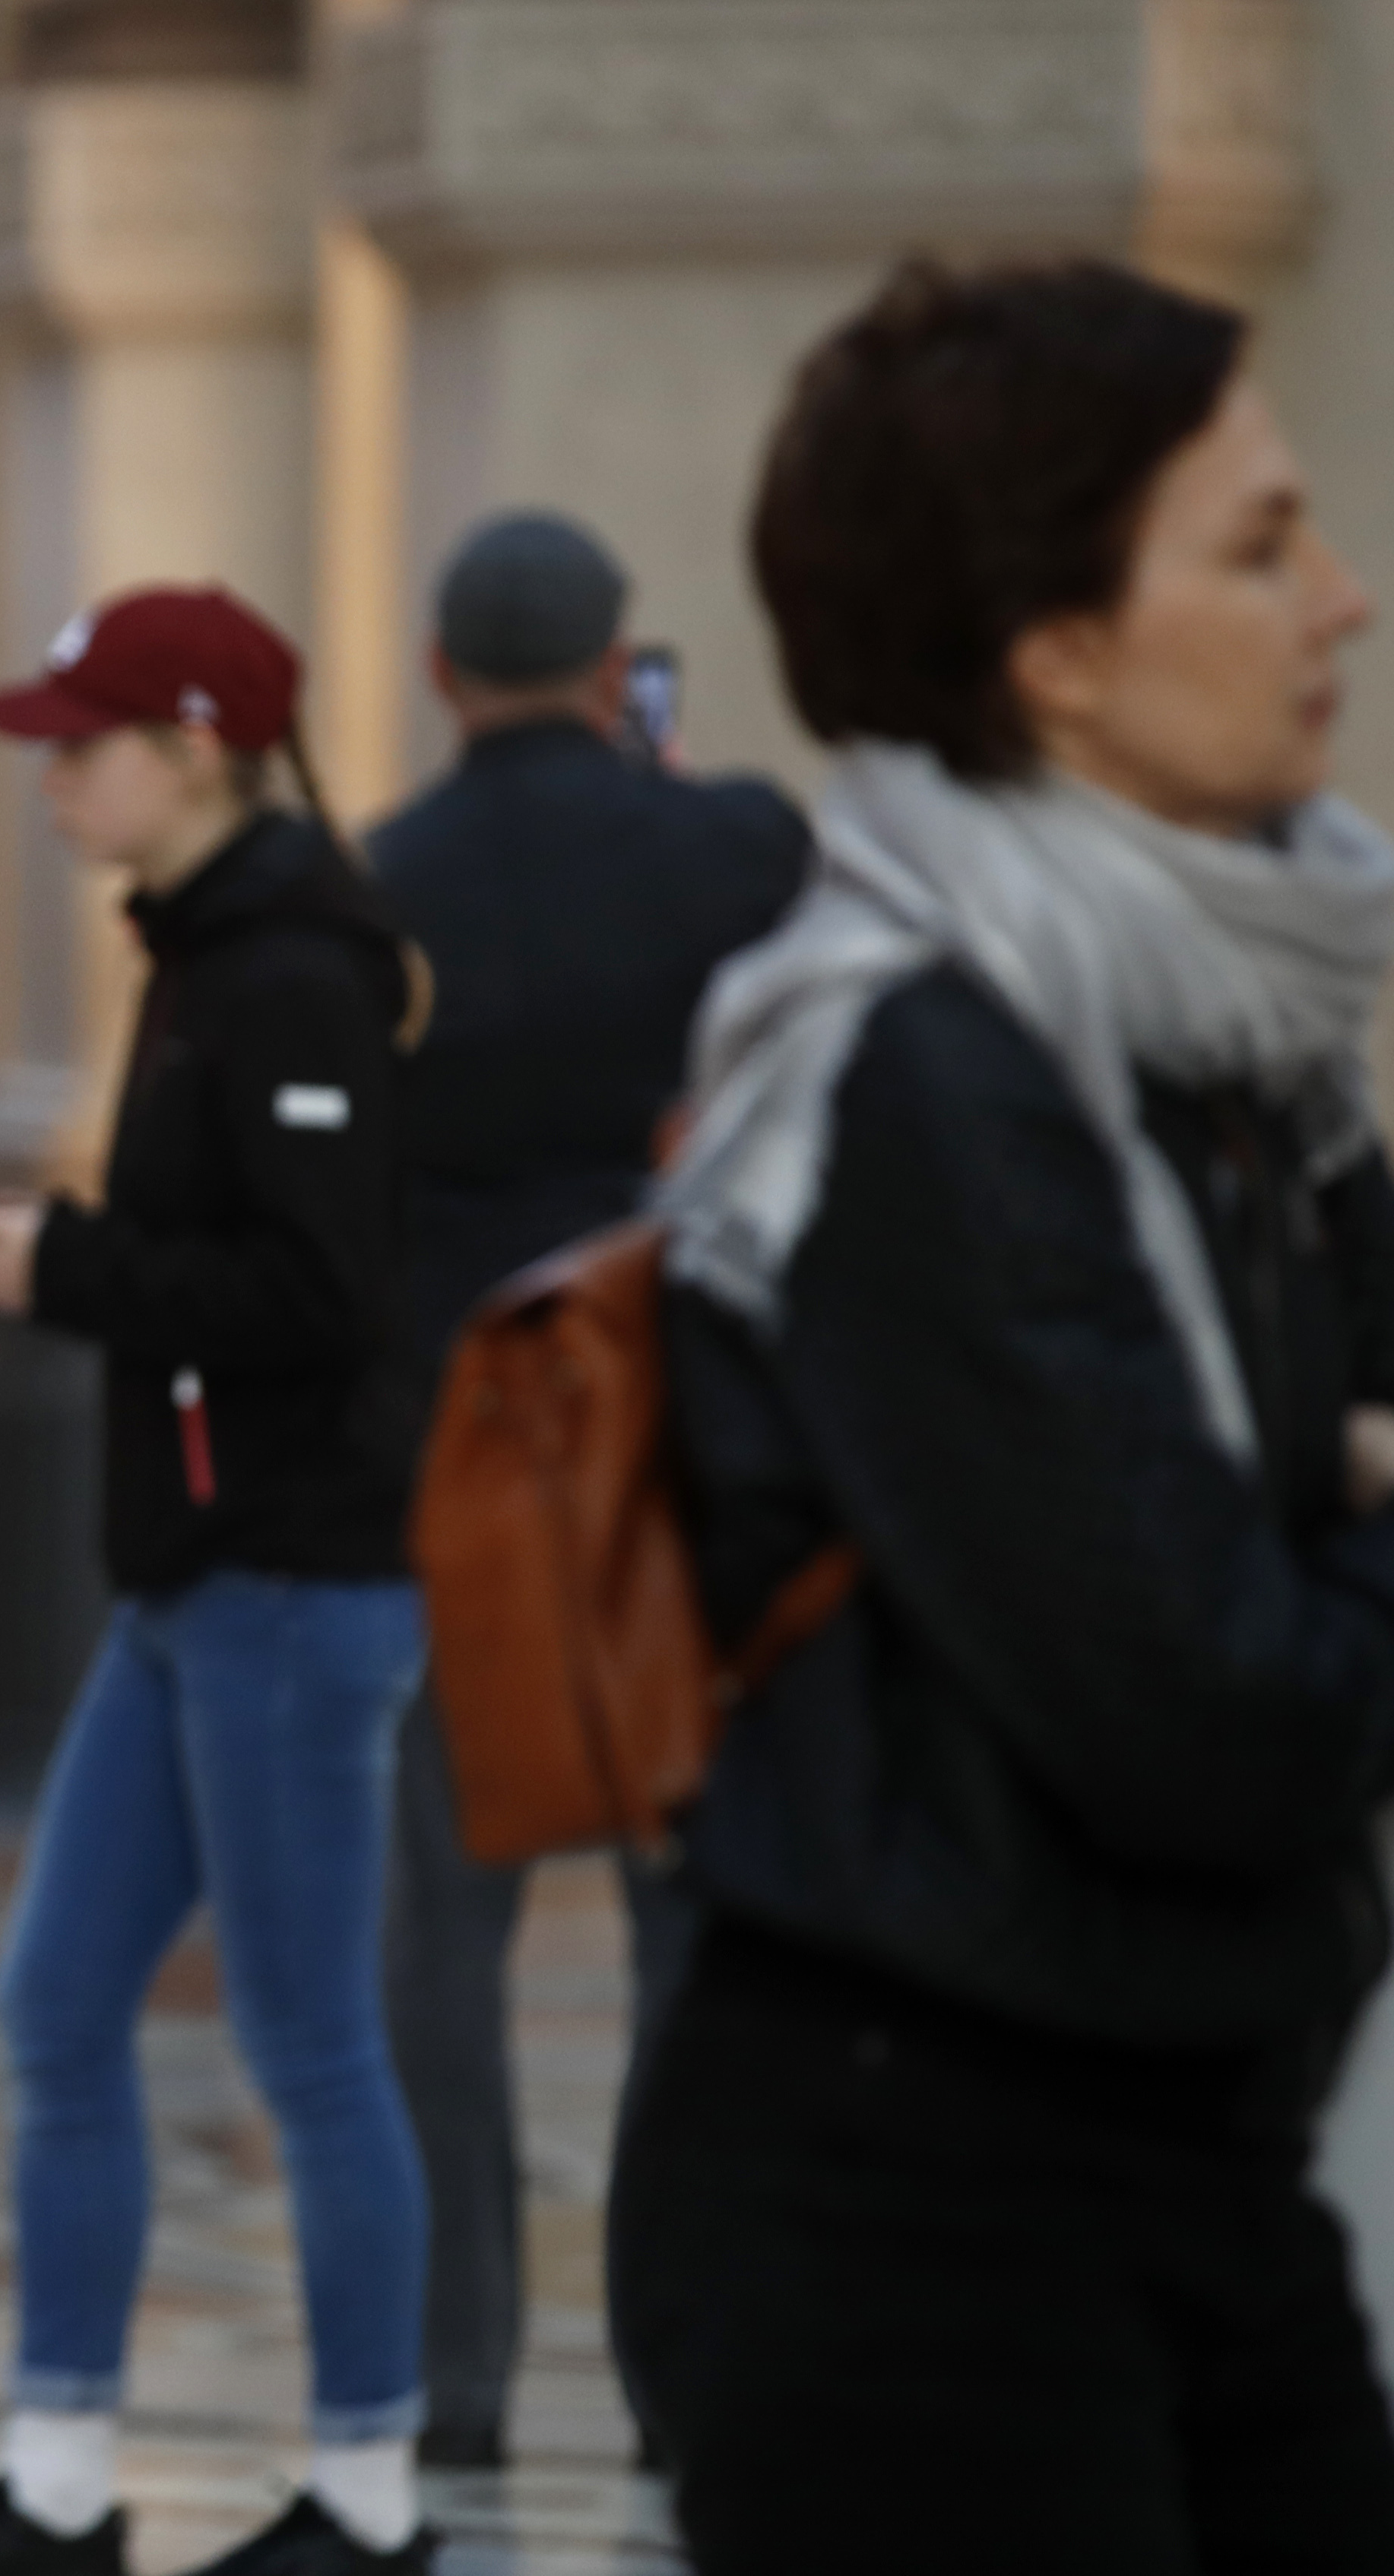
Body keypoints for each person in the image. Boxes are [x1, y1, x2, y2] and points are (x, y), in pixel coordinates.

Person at [616, 258, 1394, 2571]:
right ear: (1049, 651)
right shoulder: (919, 1074)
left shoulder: (1234, 1032)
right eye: (1253, 547)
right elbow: (1202, 1715)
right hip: (912, 2226)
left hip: (1191, 2159)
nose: (1335, 597)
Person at [0, 589, 436, 2576]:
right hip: (195, 1582)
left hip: (290, 1586)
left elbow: (321, 1291)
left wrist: (68, 1270)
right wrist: (83, 1250)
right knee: (53, 2003)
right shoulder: (202, 956)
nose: (50, 781)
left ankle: (367, 2502)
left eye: (81, 741)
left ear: (196, 746)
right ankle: (55, 2487)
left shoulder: (291, 974)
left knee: (307, 2046)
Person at [364, 512, 807, 2469]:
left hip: (457, 1456)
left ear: (444, 675)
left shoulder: (379, 884)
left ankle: (459, 2382)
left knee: (438, 1951)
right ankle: (677, 2372)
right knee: (685, 1941)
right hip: (682, 1446)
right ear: (621, 661)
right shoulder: (733, 847)